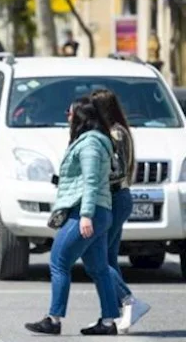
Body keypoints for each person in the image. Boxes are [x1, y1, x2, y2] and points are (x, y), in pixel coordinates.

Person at [25, 96, 119, 335]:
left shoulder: (90, 145)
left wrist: (86, 215)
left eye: (70, 112)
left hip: (86, 212)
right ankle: (108, 322)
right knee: (99, 268)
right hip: (97, 211)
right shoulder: (93, 141)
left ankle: (54, 319)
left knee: (58, 261)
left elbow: (91, 181)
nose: (67, 116)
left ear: (80, 116)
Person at [89, 89, 150, 333]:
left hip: (115, 197)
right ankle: (112, 315)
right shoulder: (120, 130)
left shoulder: (114, 133)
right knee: (109, 258)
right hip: (120, 196)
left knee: (99, 259)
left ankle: (129, 301)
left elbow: (117, 170)